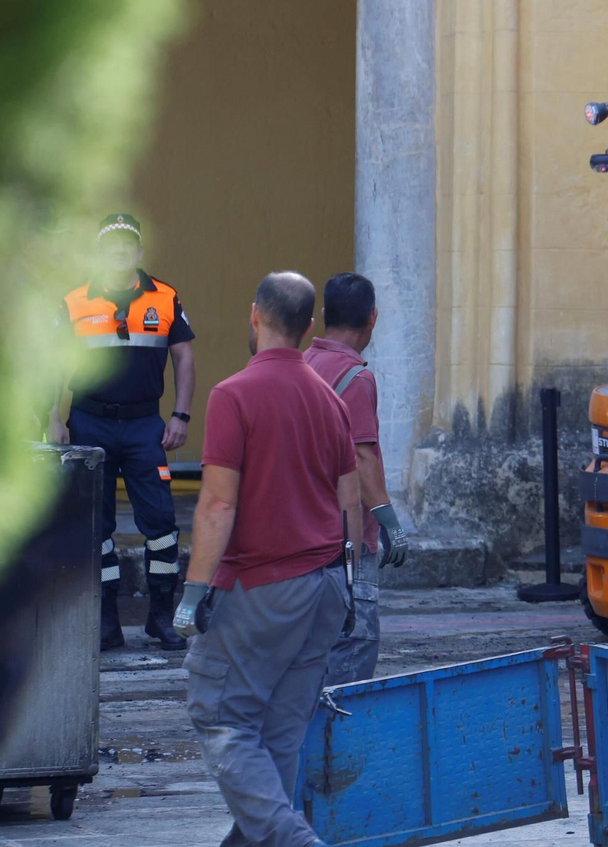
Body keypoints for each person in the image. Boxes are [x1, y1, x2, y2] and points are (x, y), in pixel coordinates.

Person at [173, 272, 359, 847]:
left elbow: (217, 503)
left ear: (255, 315)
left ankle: (294, 841)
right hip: (326, 587)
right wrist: (352, 587)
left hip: (263, 587)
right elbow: (349, 502)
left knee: (223, 719)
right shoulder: (331, 399)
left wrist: (192, 594)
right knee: (280, 735)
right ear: (308, 326)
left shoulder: (234, 394)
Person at [49, 213, 196, 651]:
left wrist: (181, 415)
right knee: (95, 527)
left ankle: (160, 618)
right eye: (110, 246)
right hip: (88, 423)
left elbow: (184, 358)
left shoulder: (165, 297)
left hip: (144, 426)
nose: (119, 253)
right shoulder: (73, 301)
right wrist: (52, 417)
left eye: (127, 245)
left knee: (162, 524)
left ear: (139, 251)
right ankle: (106, 622)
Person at [303, 272, 409, 686]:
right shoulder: (355, 378)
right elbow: (362, 458)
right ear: (373, 317)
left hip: (305, 534)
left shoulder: (303, 365)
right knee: (353, 647)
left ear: (323, 315)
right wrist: (390, 524)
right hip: (345, 538)